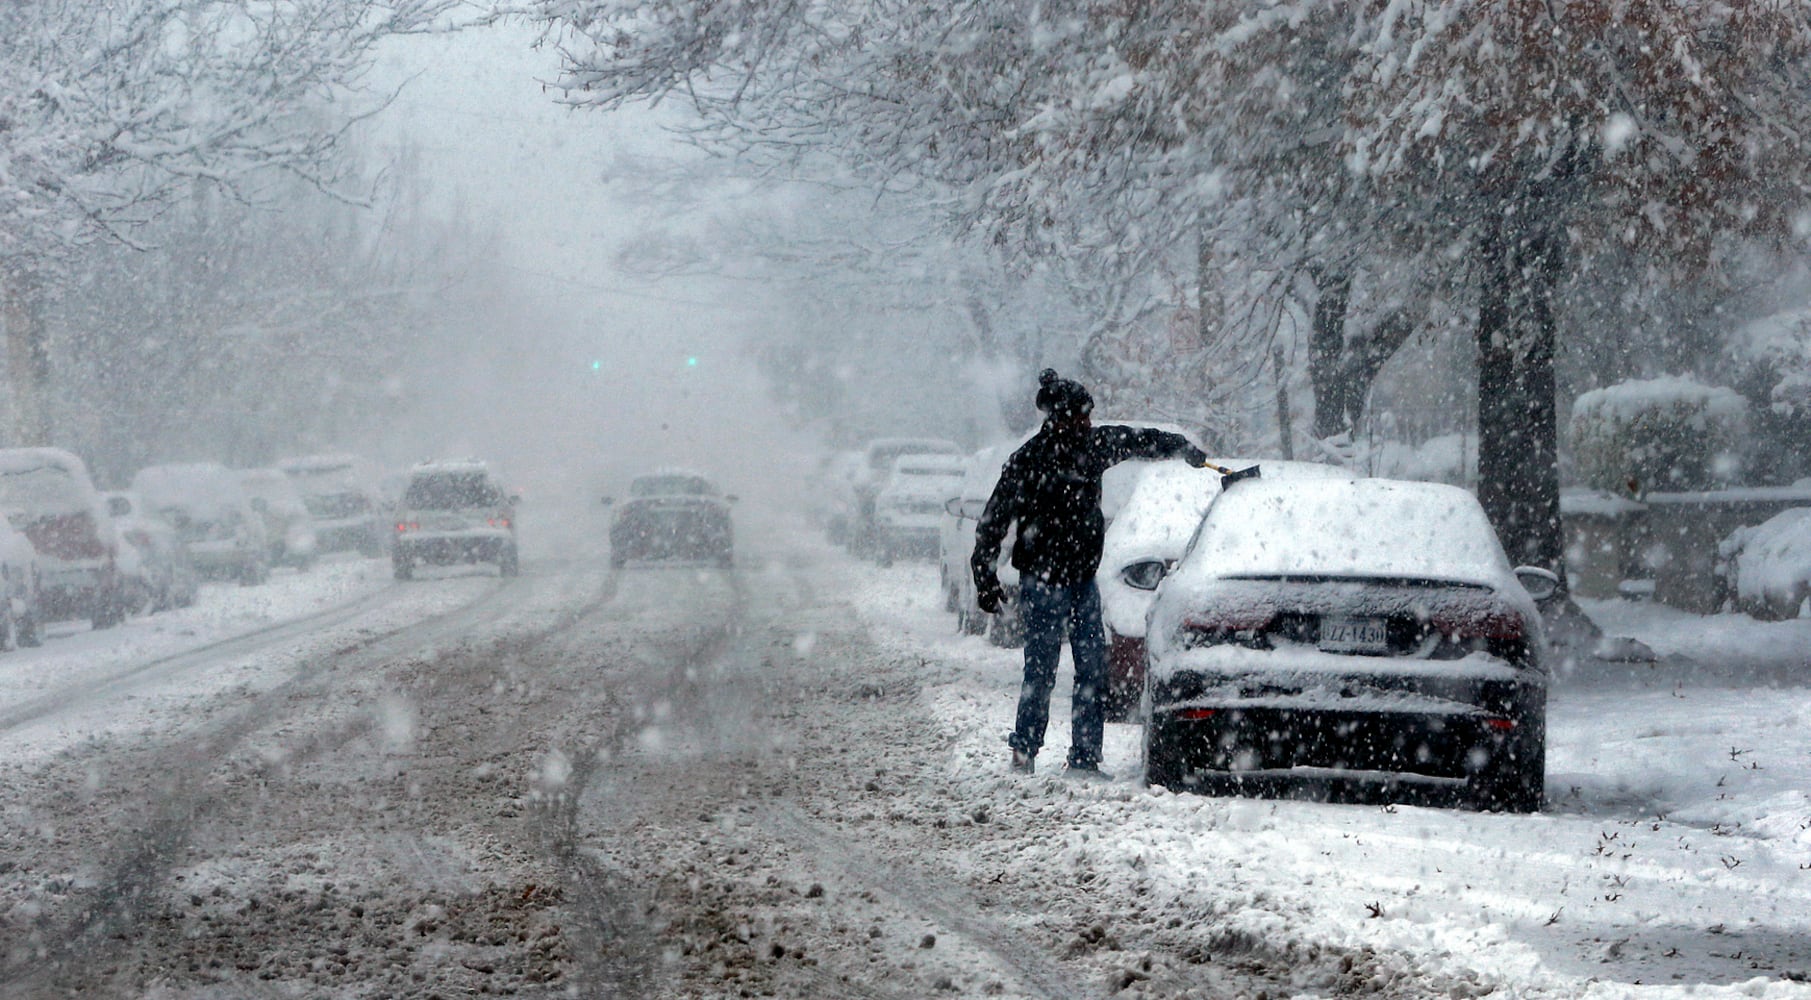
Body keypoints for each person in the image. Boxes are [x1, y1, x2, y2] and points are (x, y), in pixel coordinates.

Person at [971, 369, 1210, 776]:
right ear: (1059, 418)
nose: (1087, 424)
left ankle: (1083, 756)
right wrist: (985, 577)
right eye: (1081, 417)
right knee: (1042, 668)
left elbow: (1138, 440)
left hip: (1082, 581)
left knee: (1091, 668)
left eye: (1089, 417)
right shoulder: (1029, 460)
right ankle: (1025, 750)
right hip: (1042, 581)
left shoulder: (1093, 445)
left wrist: (1180, 447)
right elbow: (994, 521)